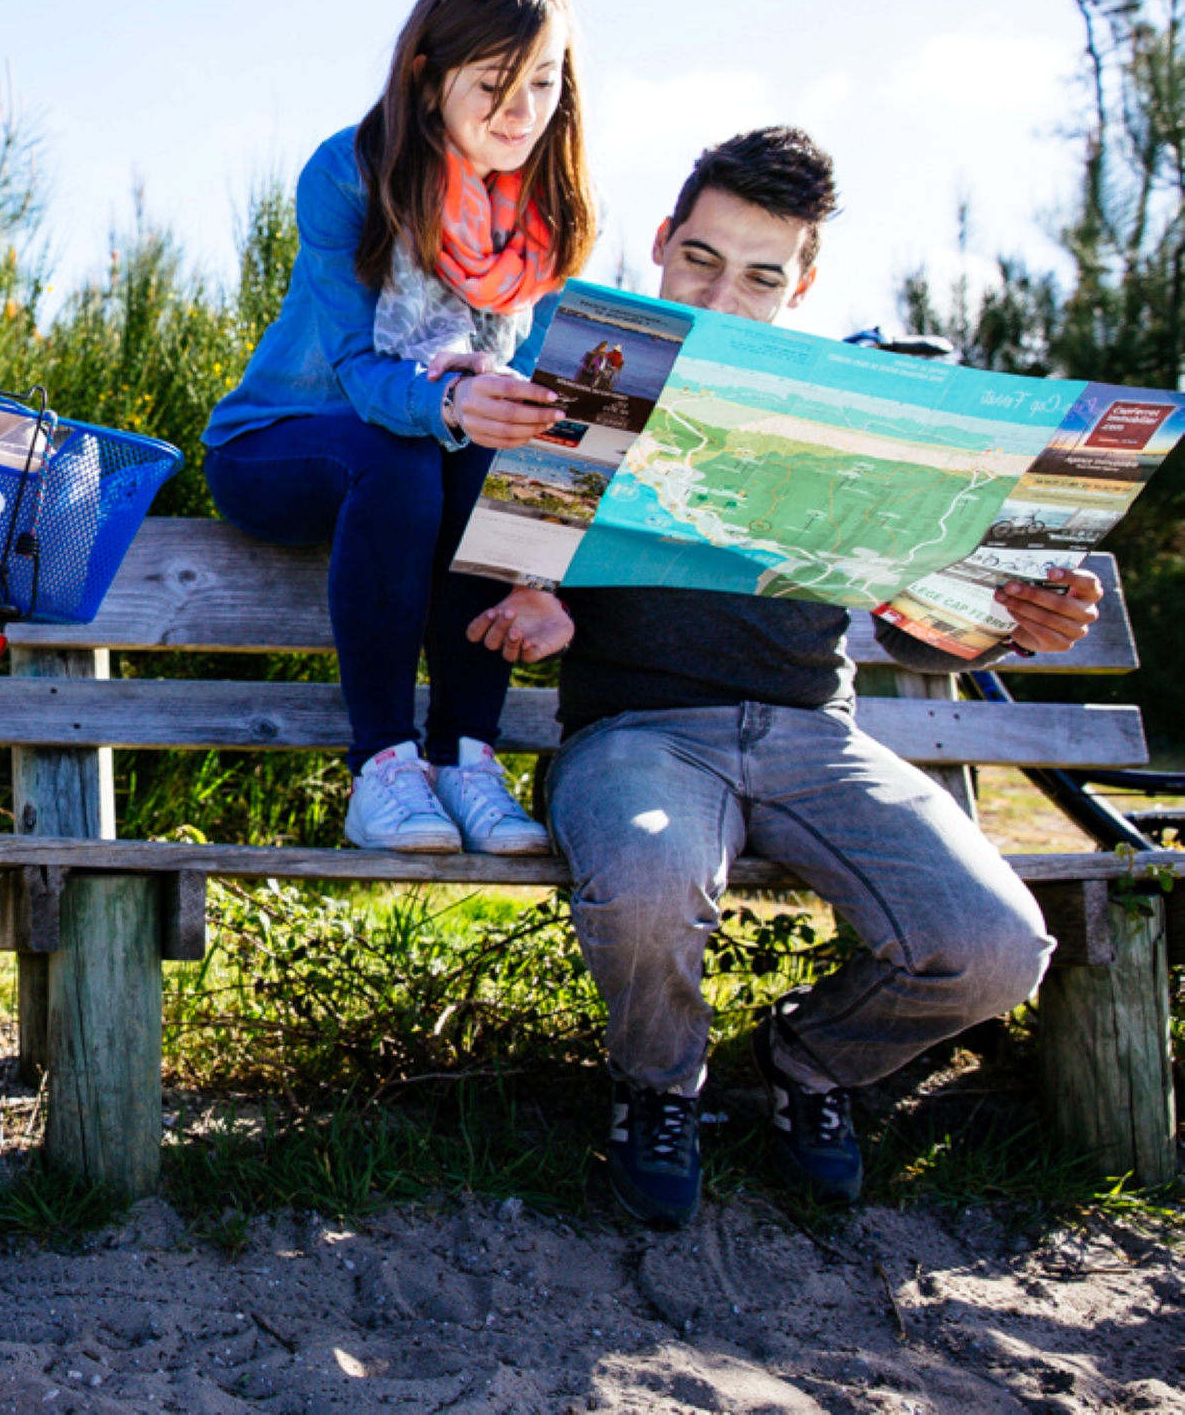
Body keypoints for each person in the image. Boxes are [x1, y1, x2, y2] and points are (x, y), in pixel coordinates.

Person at [469, 127, 1105, 1227]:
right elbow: (514, 571)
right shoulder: (596, 379)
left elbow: (918, 627)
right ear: (662, 243)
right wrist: (534, 598)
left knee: (999, 945)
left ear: (801, 282)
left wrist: (1007, 618)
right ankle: (657, 1085)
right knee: (649, 873)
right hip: (637, 732)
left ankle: (806, 1061)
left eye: (763, 275)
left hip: (818, 734)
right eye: (701, 260)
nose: (726, 294)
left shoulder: (851, 412)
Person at [200, 0, 591, 856]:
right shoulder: (348, 173)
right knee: (411, 448)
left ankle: (466, 761)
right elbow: (354, 370)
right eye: (495, 83)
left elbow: (534, 400)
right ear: (426, 79)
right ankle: (381, 766)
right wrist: (457, 401)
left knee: (489, 464)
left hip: (432, 461)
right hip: (284, 443)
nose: (523, 111)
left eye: (543, 81)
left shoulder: (550, 216)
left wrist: (538, 544)